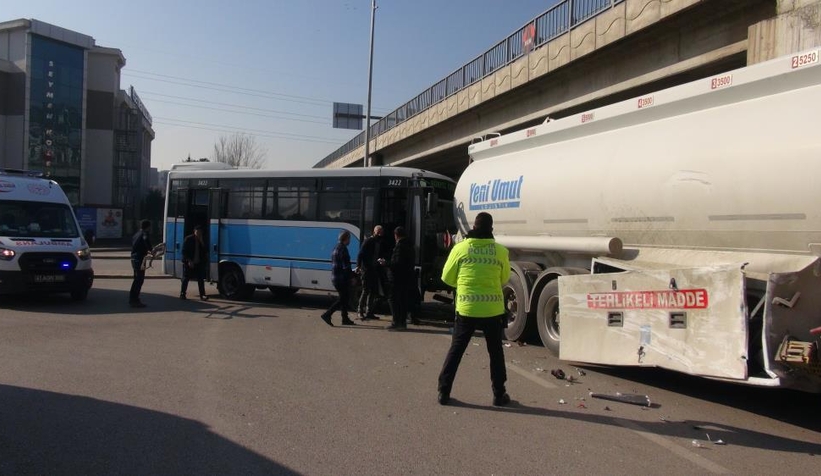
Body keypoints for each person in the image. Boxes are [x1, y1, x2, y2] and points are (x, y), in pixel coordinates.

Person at [437, 212, 511, 406]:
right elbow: (504, 279)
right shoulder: (501, 251)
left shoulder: (460, 249)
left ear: (474, 227)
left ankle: (444, 391)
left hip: (466, 309)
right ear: (491, 229)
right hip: (492, 310)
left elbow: (446, 277)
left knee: (456, 350)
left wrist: (462, 286)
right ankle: (499, 394)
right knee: (496, 353)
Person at [320, 230, 357, 327]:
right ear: (346, 239)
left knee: (345, 297)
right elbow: (346, 266)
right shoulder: (343, 249)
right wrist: (352, 277)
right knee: (343, 298)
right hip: (341, 278)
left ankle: (345, 318)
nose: (350, 241)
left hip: (335, 277)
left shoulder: (335, 247)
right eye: (349, 239)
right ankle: (327, 314)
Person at [387, 226, 415, 331]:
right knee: (402, 300)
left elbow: (397, 263)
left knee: (393, 299)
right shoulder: (410, 245)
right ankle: (402, 322)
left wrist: (386, 263)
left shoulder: (400, 246)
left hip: (397, 278)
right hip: (406, 277)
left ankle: (396, 322)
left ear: (396, 235)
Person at [355, 225, 384, 320]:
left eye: (381, 232)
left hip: (374, 270)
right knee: (365, 290)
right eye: (378, 232)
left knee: (373, 291)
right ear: (374, 232)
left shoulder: (378, 242)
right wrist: (358, 266)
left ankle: (369, 312)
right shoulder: (368, 241)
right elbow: (360, 254)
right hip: (366, 270)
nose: (380, 234)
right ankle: (360, 311)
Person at [180, 225, 209, 301]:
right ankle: (183, 293)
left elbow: (206, 251)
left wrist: (202, 242)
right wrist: (189, 261)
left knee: (200, 279)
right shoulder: (188, 239)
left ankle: (202, 294)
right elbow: (184, 251)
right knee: (186, 278)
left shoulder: (203, 240)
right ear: (194, 231)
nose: (199, 233)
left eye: (200, 232)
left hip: (199, 263)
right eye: (197, 232)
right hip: (189, 262)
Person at [129, 219, 153, 308]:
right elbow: (147, 243)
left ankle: (133, 298)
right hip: (139, 259)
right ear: (148, 227)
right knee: (139, 280)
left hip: (134, 258)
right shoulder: (144, 234)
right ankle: (134, 300)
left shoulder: (136, 234)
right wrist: (151, 250)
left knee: (136, 279)